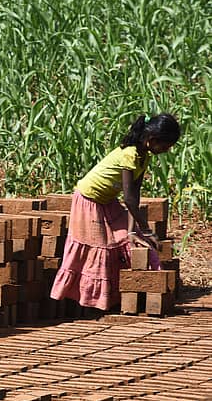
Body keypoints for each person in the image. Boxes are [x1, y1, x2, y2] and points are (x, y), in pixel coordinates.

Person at [50, 113, 181, 311]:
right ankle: (86, 306)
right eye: (166, 145)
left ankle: (142, 298)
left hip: (107, 201)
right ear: (151, 140)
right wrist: (145, 227)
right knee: (100, 248)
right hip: (88, 200)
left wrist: (133, 230)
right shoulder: (129, 154)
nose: (167, 150)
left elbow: (134, 197)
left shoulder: (143, 157)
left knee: (127, 240)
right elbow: (128, 199)